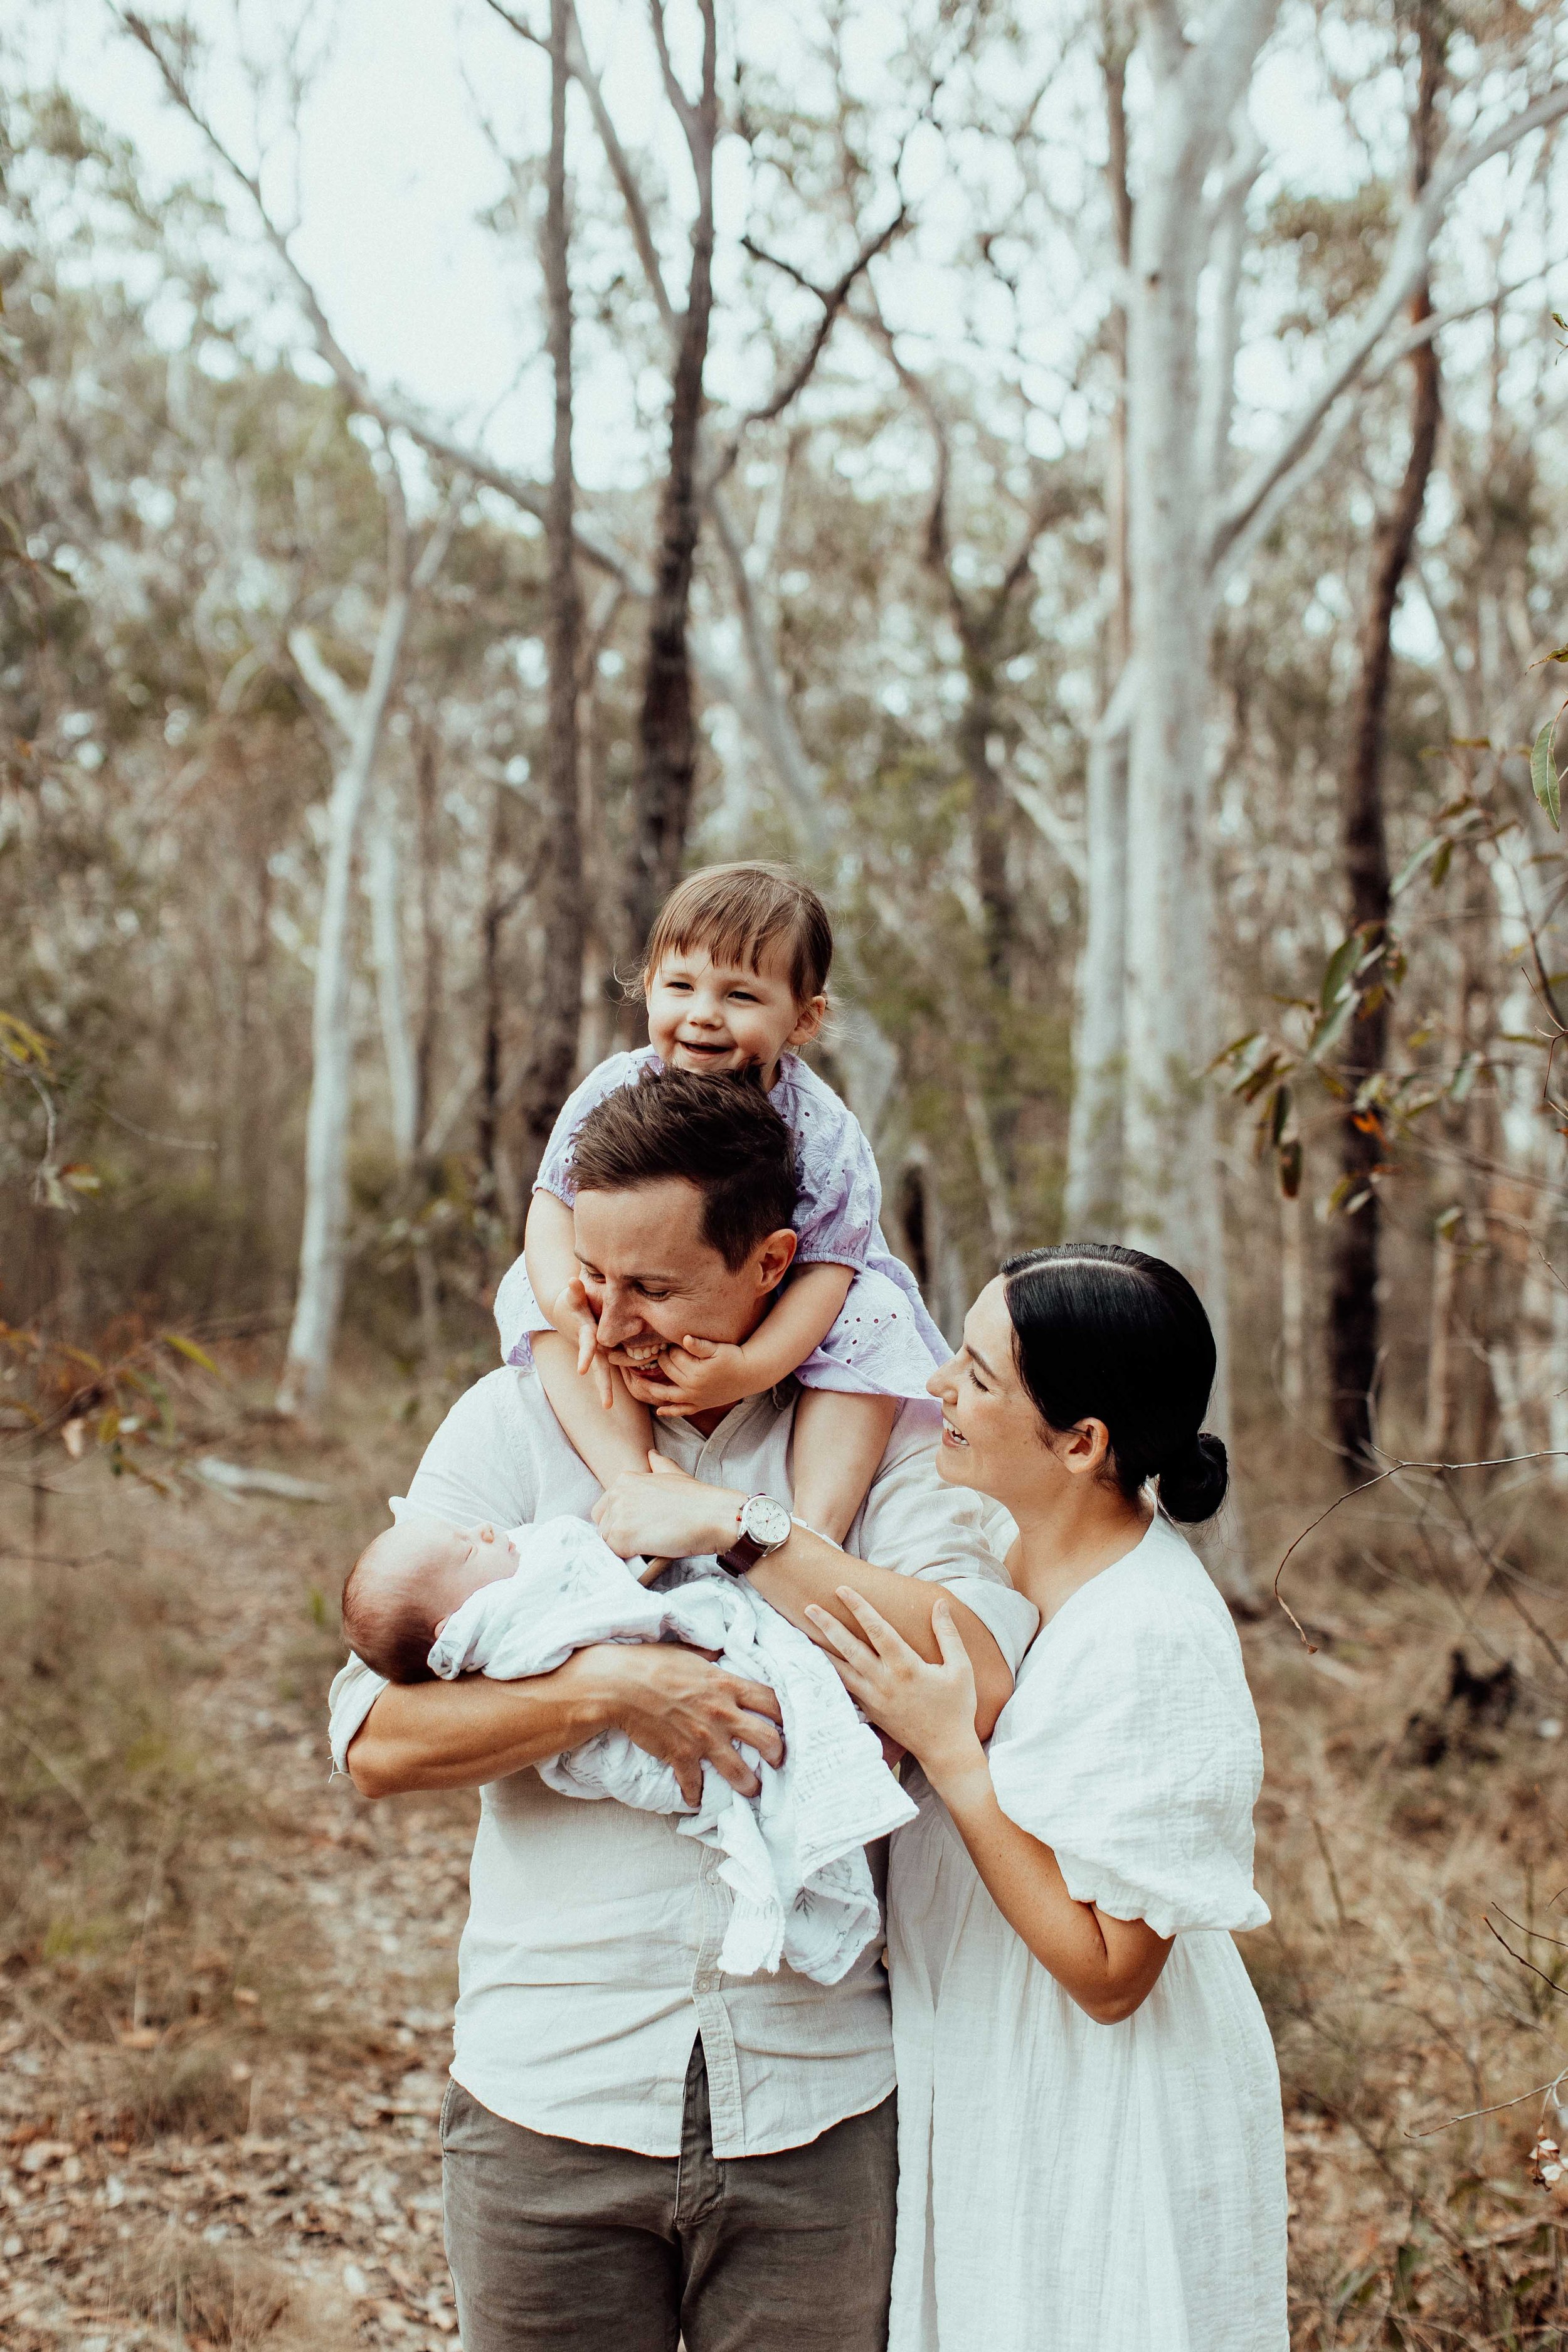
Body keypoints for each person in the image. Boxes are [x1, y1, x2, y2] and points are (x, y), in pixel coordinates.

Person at [330, 1067, 1038, 2352]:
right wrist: (609, 1689)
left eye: (653, 1289)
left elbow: (977, 1673)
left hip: (812, 2115)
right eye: (589, 1282)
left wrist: (749, 1531)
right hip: (552, 2093)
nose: (605, 1327)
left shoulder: (879, 1435)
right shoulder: (510, 1421)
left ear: (772, 1264)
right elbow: (373, 1736)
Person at [794, 1242, 1290, 2351]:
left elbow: (1113, 1976)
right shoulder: (998, 1551)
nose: (939, 1391)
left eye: (975, 1376)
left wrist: (955, 1762)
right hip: (987, 2070)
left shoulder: (1153, 1631)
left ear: (1081, 1443)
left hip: (1109, 2102)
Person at [494, 861, 948, 1549]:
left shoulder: (823, 1130)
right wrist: (570, 1304)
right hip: (652, 1286)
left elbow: (828, 1269)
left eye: (740, 995)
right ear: (648, 988)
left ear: (804, 1018)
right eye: (680, 986)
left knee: (872, 1314)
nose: (703, 1014)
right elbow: (552, 1204)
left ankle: (815, 1529)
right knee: (534, 1284)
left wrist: (752, 1367)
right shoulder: (616, 1087)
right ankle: (632, 1480)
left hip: (798, 1300)